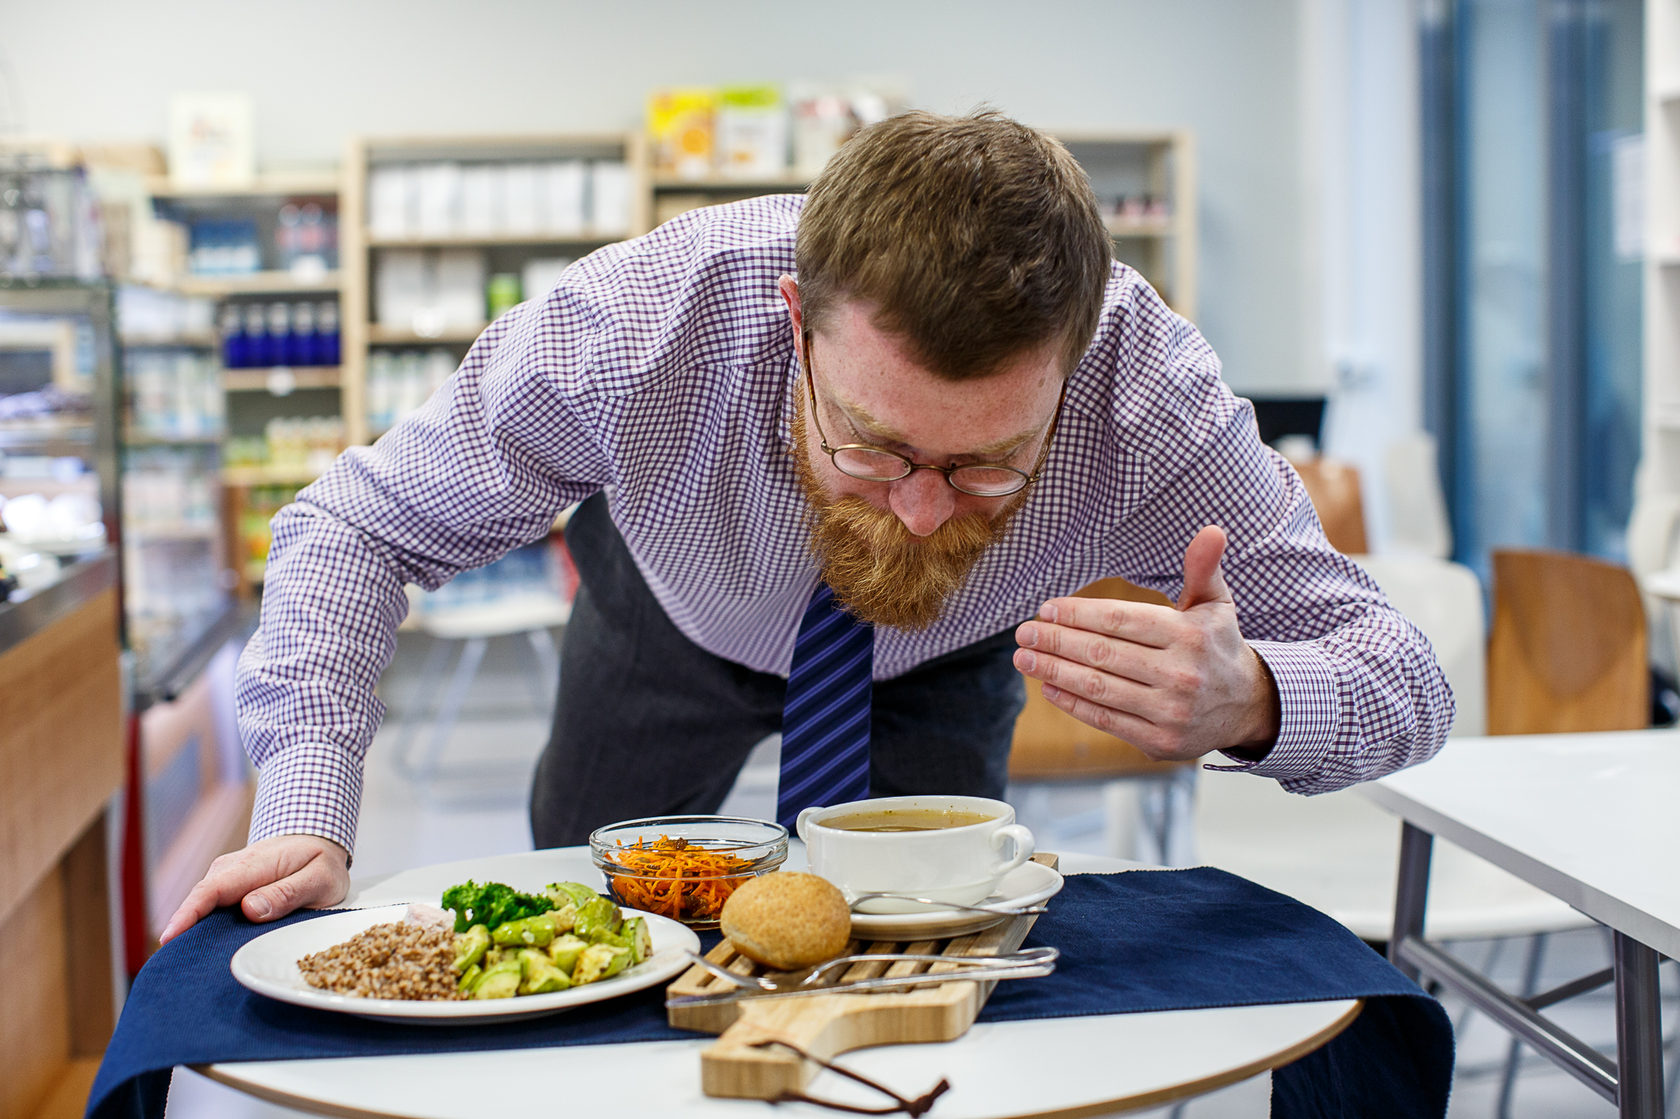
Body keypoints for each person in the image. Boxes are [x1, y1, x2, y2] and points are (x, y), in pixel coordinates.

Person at [160, 109, 1452, 942]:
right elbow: (353, 527)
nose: (922, 506)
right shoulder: (636, 329)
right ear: (794, 322)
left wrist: (1258, 700)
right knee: (592, 944)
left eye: (994, 463)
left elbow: (1407, 682)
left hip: (939, 661)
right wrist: (306, 808)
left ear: (1078, 364)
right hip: (662, 616)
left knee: (914, 963)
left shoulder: (1150, 404)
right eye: (874, 444)